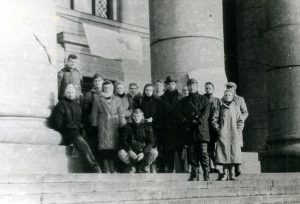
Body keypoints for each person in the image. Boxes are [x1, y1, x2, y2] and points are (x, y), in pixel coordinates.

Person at [49, 84, 101, 173]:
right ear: (65, 93)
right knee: (83, 144)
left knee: (90, 143)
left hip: (78, 131)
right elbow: (56, 122)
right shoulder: (61, 104)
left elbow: (83, 120)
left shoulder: (78, 105)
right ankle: (94, 167)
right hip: (68, 132)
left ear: (75, 93)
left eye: (72, 92)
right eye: (68, 92)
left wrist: (83, 129)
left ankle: (89, 169)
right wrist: (65, 129)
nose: (70, 94)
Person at [91, 80, 126, 173]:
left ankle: (112, 166)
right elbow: (94, 114)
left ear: (112, 88)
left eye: (109, 87)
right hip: (103, 124)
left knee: (114, 145)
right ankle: (106, 166)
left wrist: (123, 125)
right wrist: (94, 125)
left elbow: (121, 114)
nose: (107, 89)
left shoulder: (117, 100)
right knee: (104, 146)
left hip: (114, 124)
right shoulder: (98, 99)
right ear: (103, 88)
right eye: (105, 88)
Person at [180, 78, 211, 181]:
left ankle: (206, 174)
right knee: (192, 153)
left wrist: (197, 121)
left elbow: (205, 115)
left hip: (202, 131)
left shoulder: (204, 100)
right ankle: (194, 174)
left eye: (193, 85)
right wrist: (188, 121)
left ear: (197, 86)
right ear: (187, 87)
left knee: (203, 153)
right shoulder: (183, 101)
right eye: (189, 85)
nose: (191, 87)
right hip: (190, 130)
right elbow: (180, 115)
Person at [212, 90, 244, 180]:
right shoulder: (220, 108)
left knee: (233, 153)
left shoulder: (236, 108)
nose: (227, 96)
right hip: (223, 135)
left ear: (232, 96)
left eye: (229, 95)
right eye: (225, 95)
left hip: (234, 135)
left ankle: (232, 173)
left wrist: (238, 131)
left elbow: (240, 121)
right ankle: (225, 174)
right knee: (224, 153)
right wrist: (219, 129)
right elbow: (214, 120)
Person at [134, 84, 163, 173]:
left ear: (153, 91)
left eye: (150, 90)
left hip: (155, 126)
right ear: (144, 91)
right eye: (147, 90)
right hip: (144, 125)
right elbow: (138, 112)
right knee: (145, 144)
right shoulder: (141, 100)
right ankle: (144, 164)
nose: (149, 92)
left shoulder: (157, 101)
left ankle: (153, 165)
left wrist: (153, 118)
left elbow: (160, 113)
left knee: (154, 145)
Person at [118, 109, 158, 173]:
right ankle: (131, 166)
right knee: (121, 153)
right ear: (132, 117)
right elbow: (123, 140)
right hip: (132, 152)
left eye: (138, 116)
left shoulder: (148, 127)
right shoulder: (127, 127)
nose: (136, 118)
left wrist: (143, 153)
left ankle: (146, 165)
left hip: (143, 151)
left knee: (154, 152)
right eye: (135, 116)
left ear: (142, 116)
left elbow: (151, 142)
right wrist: (130, 150)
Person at [160, 76, 184, 173]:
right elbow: (160, 112)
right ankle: (170, 168)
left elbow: (183, 110)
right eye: (169, 84)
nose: (171, 85)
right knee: (169, 148)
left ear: (175, 85)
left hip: (178, 126)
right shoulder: (162, 98)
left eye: (173, 84)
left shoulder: (180, 96)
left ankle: (181, 168)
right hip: (167, 126)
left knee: (180, 148)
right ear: (166, 85)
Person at [225, 82, 249, 177]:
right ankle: (229, 169)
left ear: (235, 88)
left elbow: (245, 112)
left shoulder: (240, 99)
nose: (230, 88)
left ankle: (238, 167)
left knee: (237, 147)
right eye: (228, 87)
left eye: (231, 87)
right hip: (227, 127)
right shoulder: (224, 98)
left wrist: (240, 120)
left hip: (236, 127)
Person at [83, 73, 104, 156]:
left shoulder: (107, 93)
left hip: (105, 124)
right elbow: (85, 111)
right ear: (93, 83)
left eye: (99, 81)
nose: (97, 82)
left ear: (103, 82)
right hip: (93, 125)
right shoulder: (88, 95)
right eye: (95, 81)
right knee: (93, 145)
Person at [204, 82, 221, 174]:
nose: (208, 90)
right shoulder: (203, 99)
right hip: (205, 128)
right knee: (208, 149)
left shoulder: (217, 100)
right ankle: (210, 166)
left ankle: (216, 166)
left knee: (214, 148)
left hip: (214, 128)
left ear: (213, 89)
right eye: (206, 88)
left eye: (210, 88)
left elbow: (220, 113)